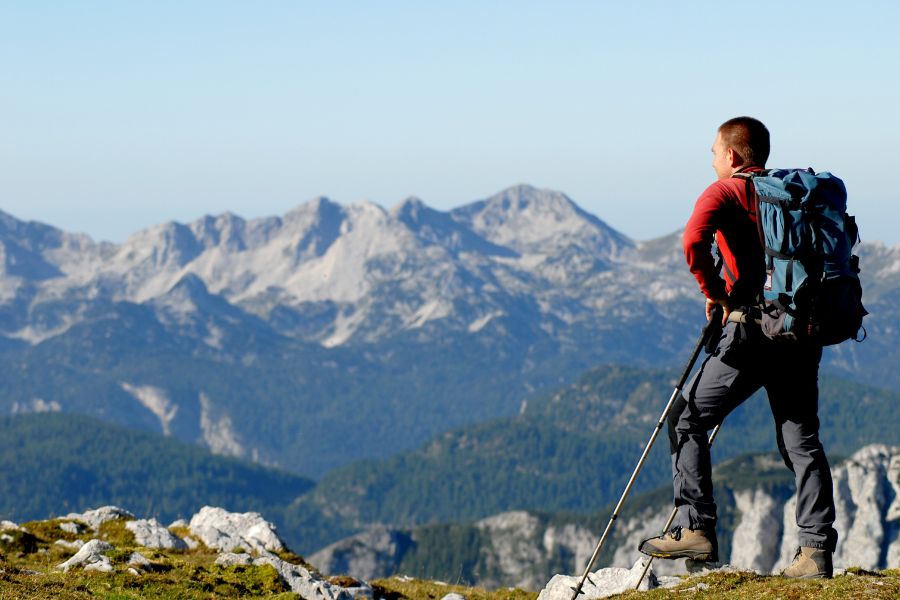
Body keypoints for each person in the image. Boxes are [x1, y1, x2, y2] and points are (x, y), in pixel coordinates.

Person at [637, 117, 837, 579]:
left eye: (712, 153)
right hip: (799, 331)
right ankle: (815, 552)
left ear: (731, 156)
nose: (711, 160)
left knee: (686, 416)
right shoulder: (787, 195)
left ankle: (696, 527)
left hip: (748, 334)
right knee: (802, 441)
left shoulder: (723, 192)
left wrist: (715, 292)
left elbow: (692, 242)